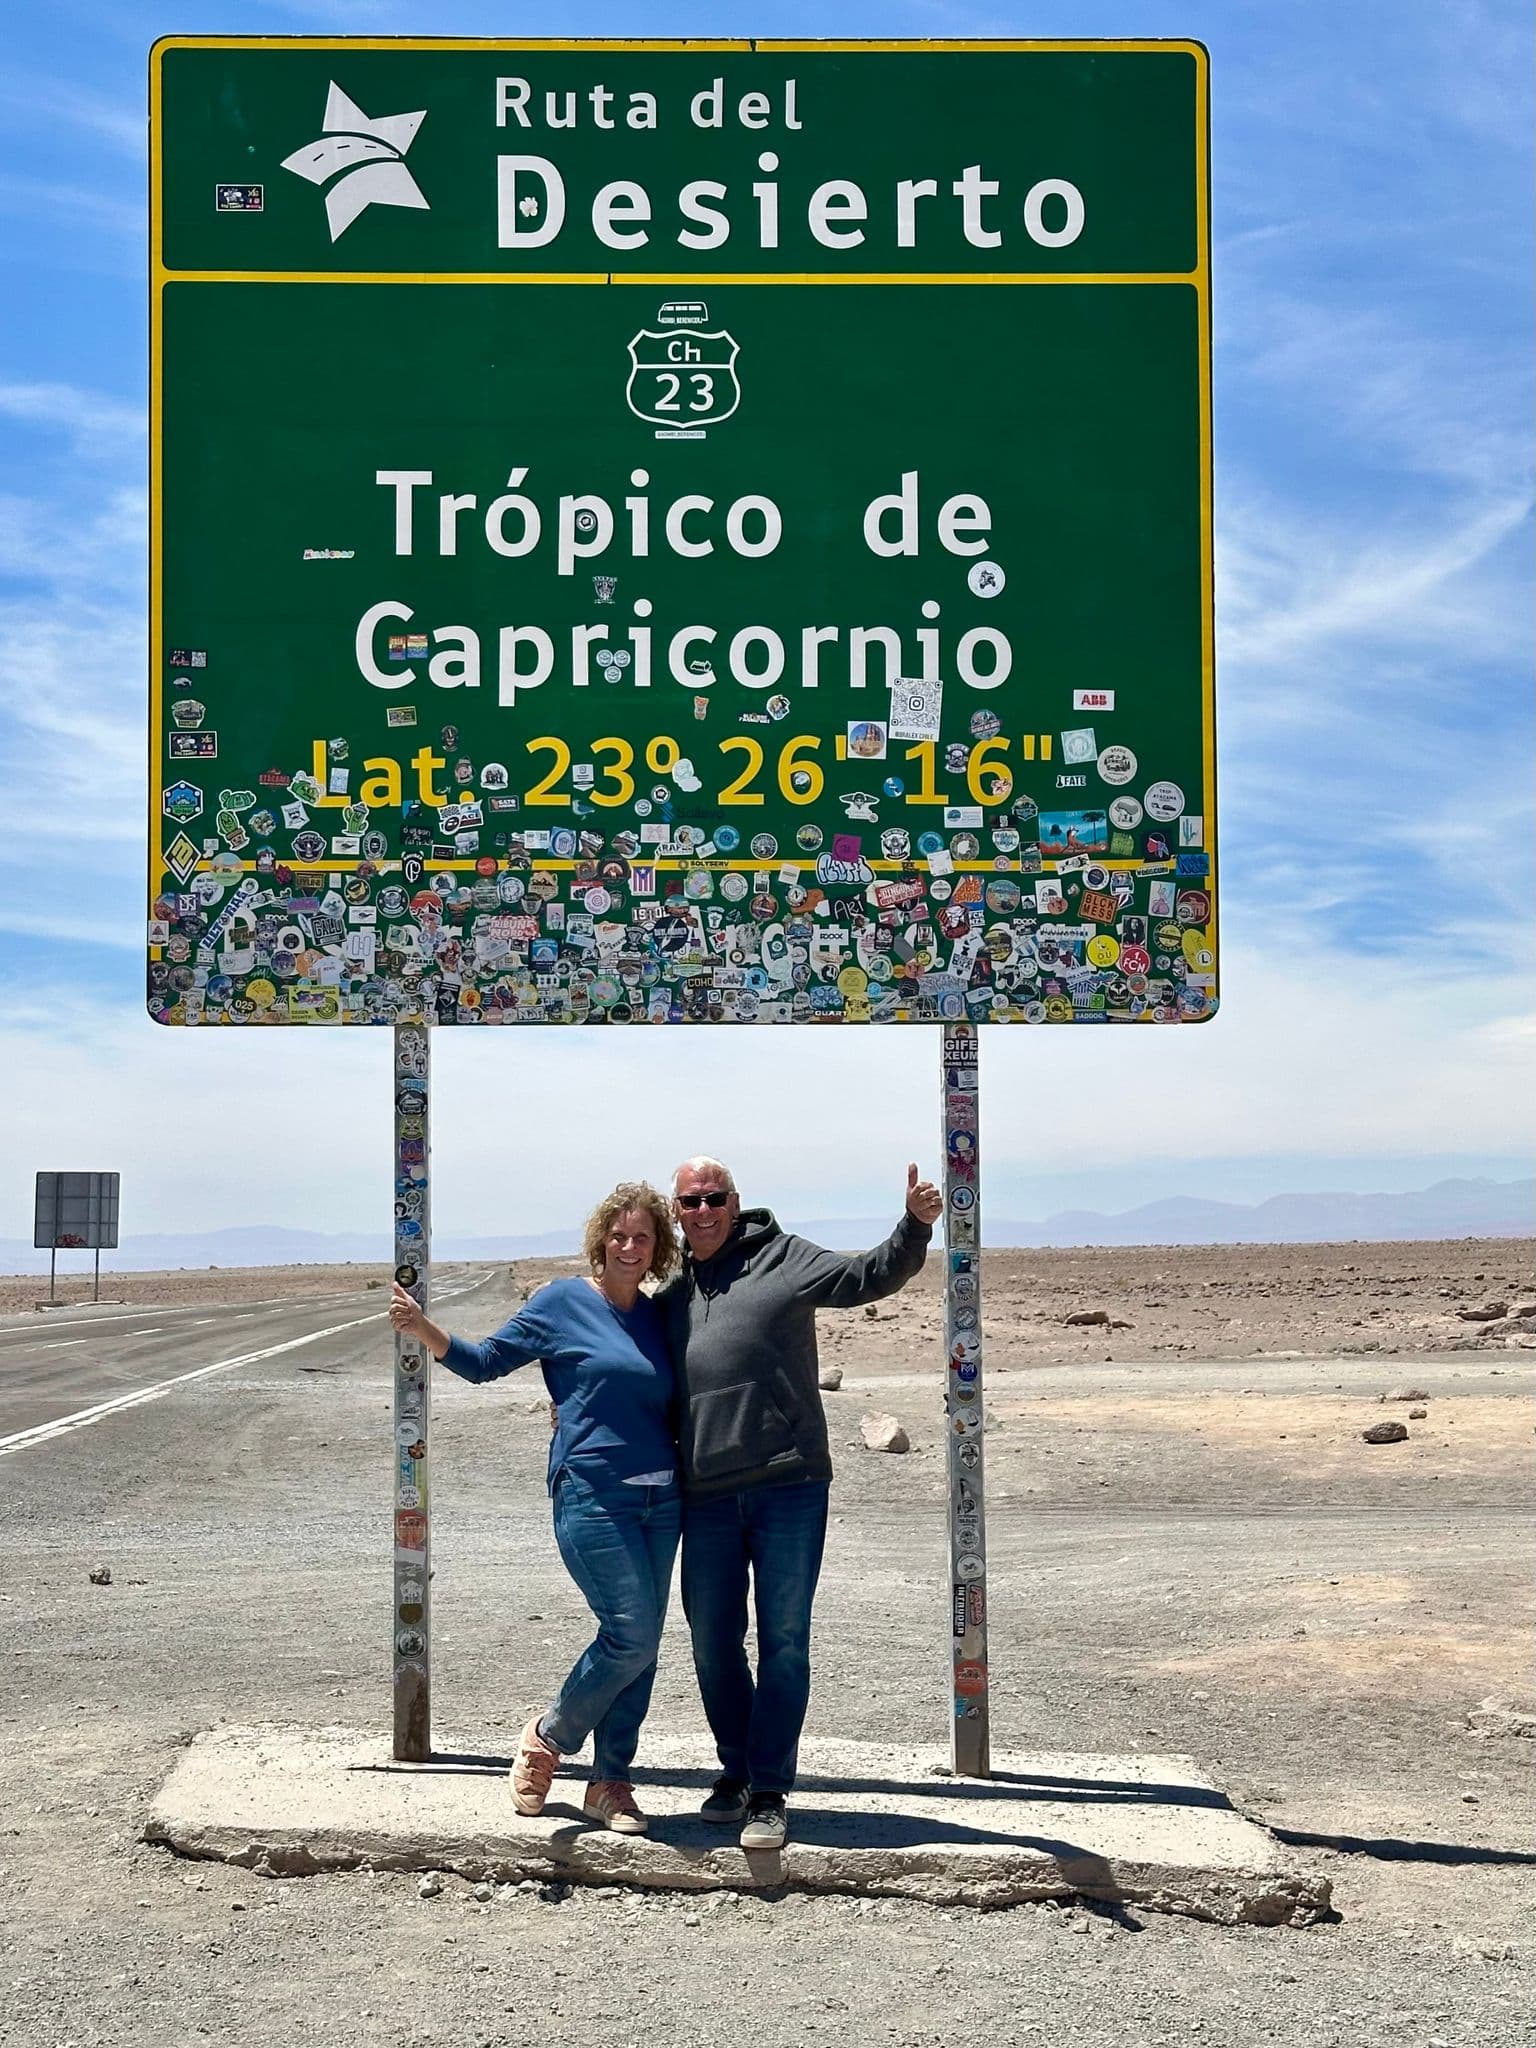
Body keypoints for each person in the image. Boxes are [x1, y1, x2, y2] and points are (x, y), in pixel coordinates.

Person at [660, 1156, 943, 1850]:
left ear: (735, 1202)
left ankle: (769, 1792)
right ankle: (736, 1773)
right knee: (711, 1643)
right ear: (676, 1210)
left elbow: (864, 1277)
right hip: (707, 1497)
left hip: (789, 1485)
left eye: (714, 1198)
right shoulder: (670, 1295)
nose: (703, 1211)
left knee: (784, 1641)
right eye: (690, 1201)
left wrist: (913, 1227)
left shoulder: (783, 1259)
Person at [388, 1181, 680, 1836]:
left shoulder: (660, 1317)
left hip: (664, 1499)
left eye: (643, 1237)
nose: (629, 1247)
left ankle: (611, 1784)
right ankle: (548, 1737)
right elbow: (486, 1361)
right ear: (600, 1238)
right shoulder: (563, 1302)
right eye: (619, 1235)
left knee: (643, 1645)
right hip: (592, 1491)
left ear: (657, 1247)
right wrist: (421, 1326)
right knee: (629, 1631)